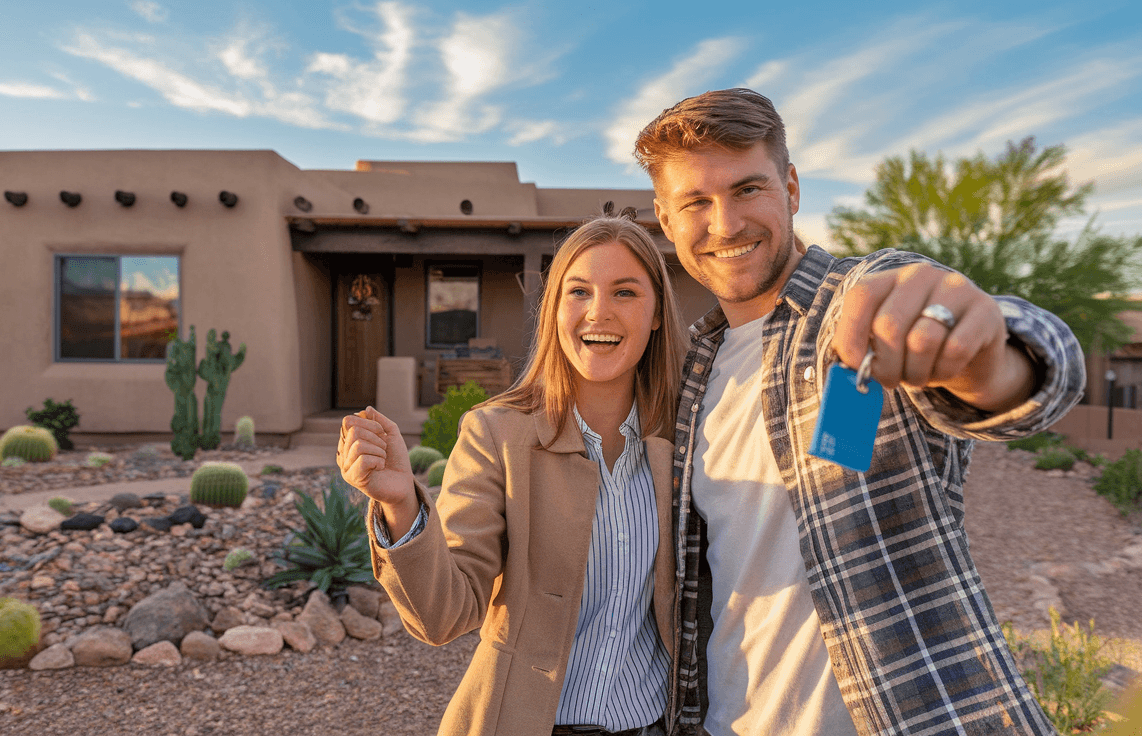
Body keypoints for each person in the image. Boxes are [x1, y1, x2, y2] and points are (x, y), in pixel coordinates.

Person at [633, 88, 1085, 735]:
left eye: (748, 189)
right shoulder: (695, 368)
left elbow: (1031, 374)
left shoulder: (867, 299)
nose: (726, 223)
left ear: (790, 187)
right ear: (666, 219)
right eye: (696, 202)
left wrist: (985, 357)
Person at [336, 216, 689, 736]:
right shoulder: (496, 435)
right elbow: (443, 616)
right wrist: (400, 505)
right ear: (554, 310)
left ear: (656, 312)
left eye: (625, 292)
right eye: (579, 291)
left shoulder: (684, 436)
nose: (599, 312)